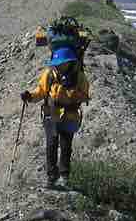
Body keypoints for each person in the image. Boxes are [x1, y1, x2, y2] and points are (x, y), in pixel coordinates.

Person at [20, 46, 90, 187]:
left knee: (65, 145)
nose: (58, 66)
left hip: (70, 115)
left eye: (61, 63)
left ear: (69, 62)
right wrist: (30, 96)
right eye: (57, 63)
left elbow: (86, 95)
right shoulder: (49, 74)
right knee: (51, 144)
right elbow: (40, 91)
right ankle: (52, 177)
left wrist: (73, 95)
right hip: (51, 114)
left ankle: (64, 176)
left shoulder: (79, 76)